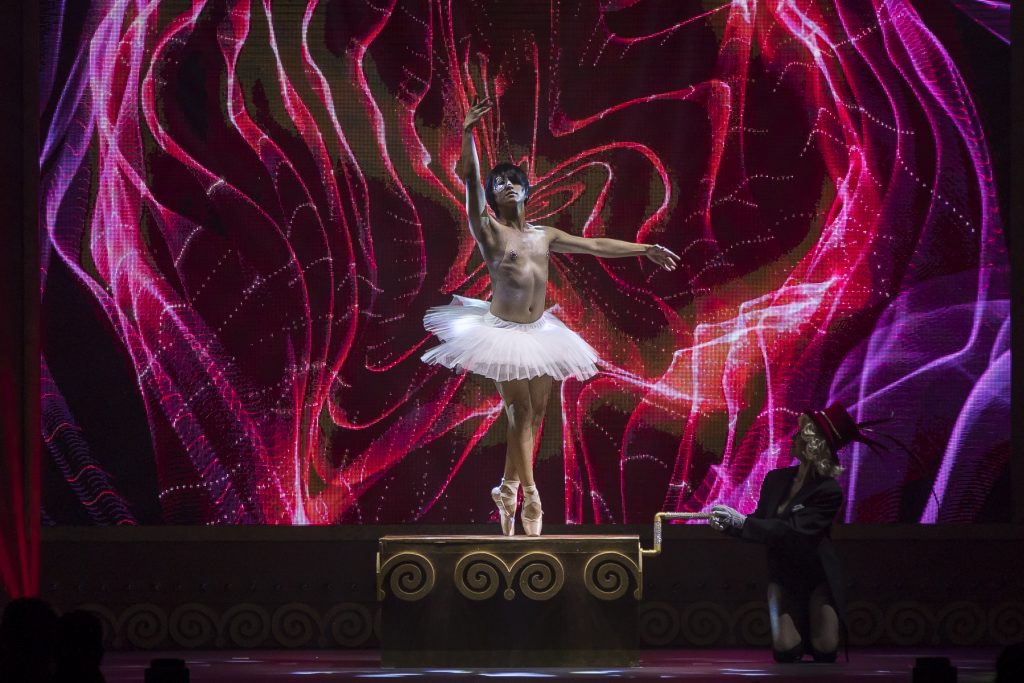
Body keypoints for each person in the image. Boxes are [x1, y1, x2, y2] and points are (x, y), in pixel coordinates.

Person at [422, 96, 679, 536]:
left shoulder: (545, 235)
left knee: (535, 415)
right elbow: (470, 180)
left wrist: (645, 248)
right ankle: (532, 495)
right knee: (519, 411)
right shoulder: (487, 228)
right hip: (501, 331)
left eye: (511, 180)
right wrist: (466, 133)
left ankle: (506, 488)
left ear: (524, 191)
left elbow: (595, 245)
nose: (504, 184)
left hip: (540, 331)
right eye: (498, 182)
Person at [709, 403, 869, 663]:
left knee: (825, 651)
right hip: (783, 574)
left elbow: (794, 532)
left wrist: (741, 523)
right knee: (786, 651)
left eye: (801, 434)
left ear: (814, 445)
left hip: (817, 576)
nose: (794, 437)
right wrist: (730, 525)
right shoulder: (776, 479)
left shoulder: (828, 490)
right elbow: (760, 524)